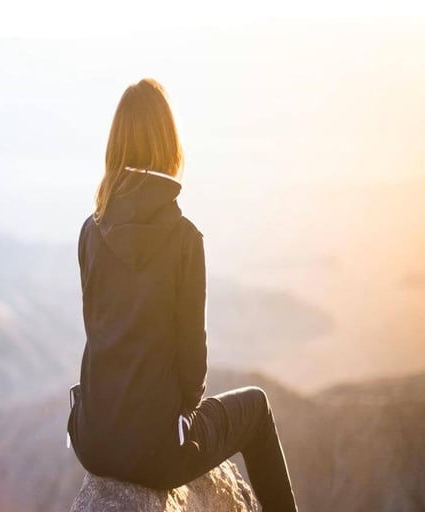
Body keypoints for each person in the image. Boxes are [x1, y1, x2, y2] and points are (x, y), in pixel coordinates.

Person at [67, 78, 298, 511]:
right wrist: (181, 413)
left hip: (93, 439)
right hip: (158, 454)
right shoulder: (184, 240)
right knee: (258, 408)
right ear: (169, 145)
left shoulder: (90, 230)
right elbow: (193, 368)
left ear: (115, 147)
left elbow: (98, 331)